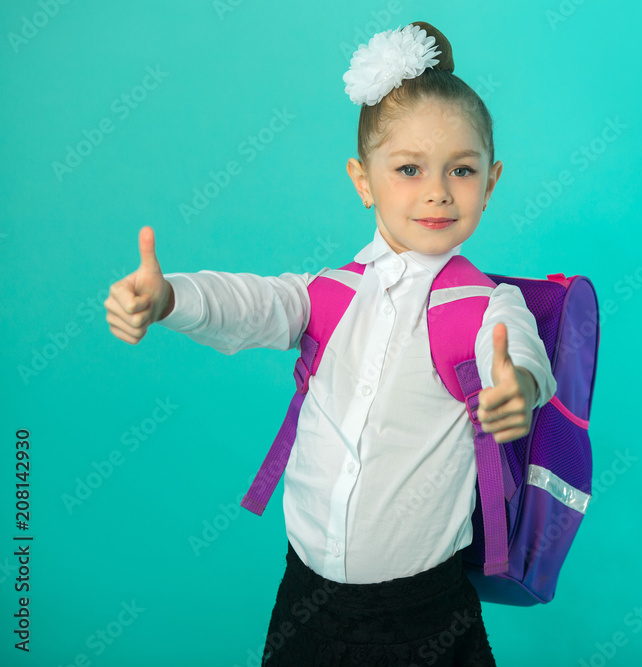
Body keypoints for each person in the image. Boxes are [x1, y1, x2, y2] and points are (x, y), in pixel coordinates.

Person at [104, 20, 557, 666]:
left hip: (424, 614)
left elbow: (516, 353)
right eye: (408, 169)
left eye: (461, 169)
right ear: (362, 180)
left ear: (491, 181)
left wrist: (518, 386)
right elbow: (253, 302)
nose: (436, 190)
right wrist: (170, 297)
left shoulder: (487, 305)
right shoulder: (330, 293)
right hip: (306, 600)